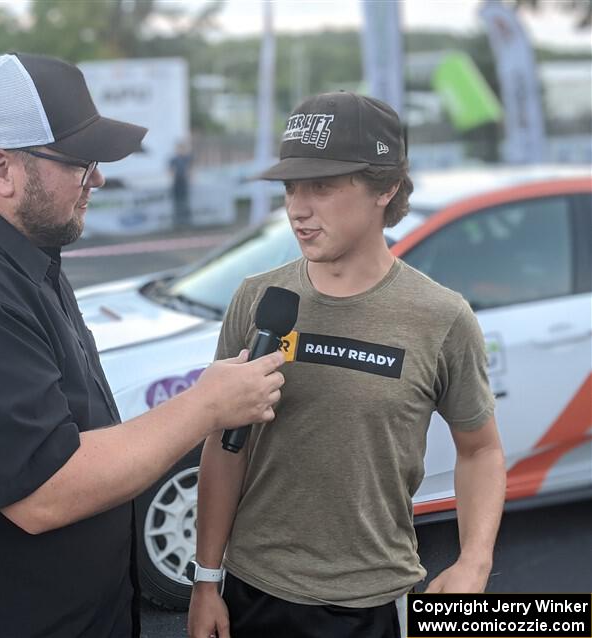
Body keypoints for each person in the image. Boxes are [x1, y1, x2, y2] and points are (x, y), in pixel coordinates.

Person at [0, 53, 285, 638]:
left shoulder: (9, 251)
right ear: (1, 170)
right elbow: (42, 491)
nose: (96, 177)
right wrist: (206, 405)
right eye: (80, 161)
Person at [187, 92, 506, 638]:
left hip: (375, 602)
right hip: (251, 591)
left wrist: (474, 560)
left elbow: (480, 450)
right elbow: (224, 444)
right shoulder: (257, 299)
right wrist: (206, 580)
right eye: (291, 187)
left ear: (386, 187)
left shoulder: (441, 317)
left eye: (322, 187)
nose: (297, 208)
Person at [169, 139, 193, 228]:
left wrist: (190, 177)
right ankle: (178, 222)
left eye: (183, 148)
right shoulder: (174, 159)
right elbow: (171, 171)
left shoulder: (188, 158)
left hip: (184, 182)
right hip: (177, 182)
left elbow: (190, 170)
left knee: (185, 202)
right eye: (179, 148)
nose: (181, 150)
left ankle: (186, 222)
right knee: (177, 203)